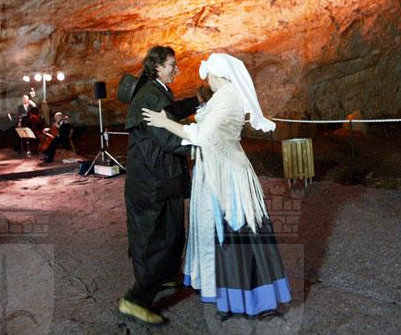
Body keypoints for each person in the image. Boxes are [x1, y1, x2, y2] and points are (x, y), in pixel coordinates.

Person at [142, 53, 291, 319]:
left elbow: (204, 135)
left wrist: (165, 123)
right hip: (213, 171)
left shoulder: (228, 96)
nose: (207, 81)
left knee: (235, 231)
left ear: (215, 75)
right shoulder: (223, 96)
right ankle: (230, 296)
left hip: (227, 174)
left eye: (208, 76)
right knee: (217, 232)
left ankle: (254, 301)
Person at [119, 45, 200, 325]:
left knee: (168, 235)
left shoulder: (155, 91)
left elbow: (171, 113)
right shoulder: (151, 96)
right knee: (161, 240)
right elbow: (167, 138)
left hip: (156, 179)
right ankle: (135, 300)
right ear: (156, 67)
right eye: (172, 65)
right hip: (154, 183)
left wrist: (197, 100)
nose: (177, 69)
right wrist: (202, 145)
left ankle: (163, 276)